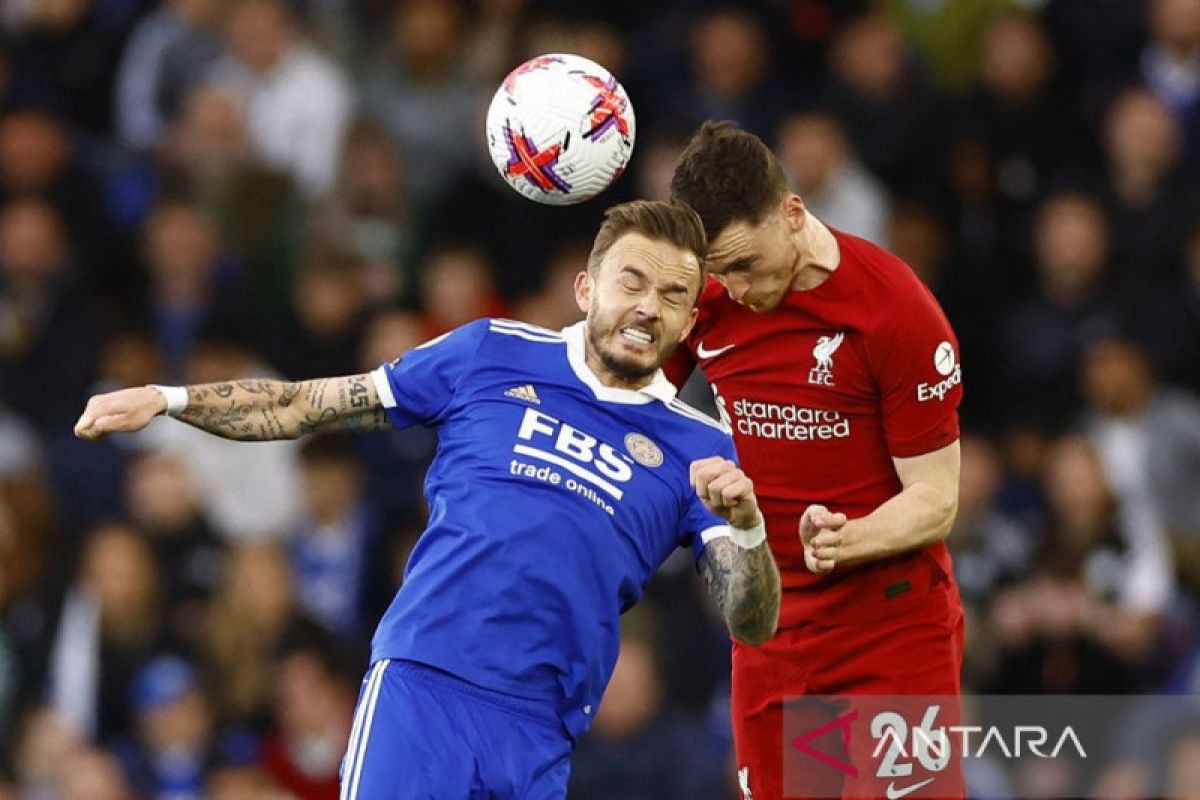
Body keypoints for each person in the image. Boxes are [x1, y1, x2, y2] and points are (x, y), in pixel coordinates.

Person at [74, 200, 782, 798]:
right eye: (633, 281)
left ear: (691, 322)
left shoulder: (702, 447)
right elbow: (306, 405)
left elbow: (751, 622)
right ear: (585, 288)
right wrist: (168, 398)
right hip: (425, 685)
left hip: (541, 729)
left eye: (673, 297)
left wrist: (746, 529)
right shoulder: (488, 353)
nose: (648, 307)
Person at [669, 121, 965, 799]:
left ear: (793, 213)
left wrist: (850, 537)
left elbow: (937, 498)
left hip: (889, 628)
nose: (737, 288)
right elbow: (634, 392)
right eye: (720, 271)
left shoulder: (892, 311)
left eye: (746, 263)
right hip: (769, 630)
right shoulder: (708, 298)